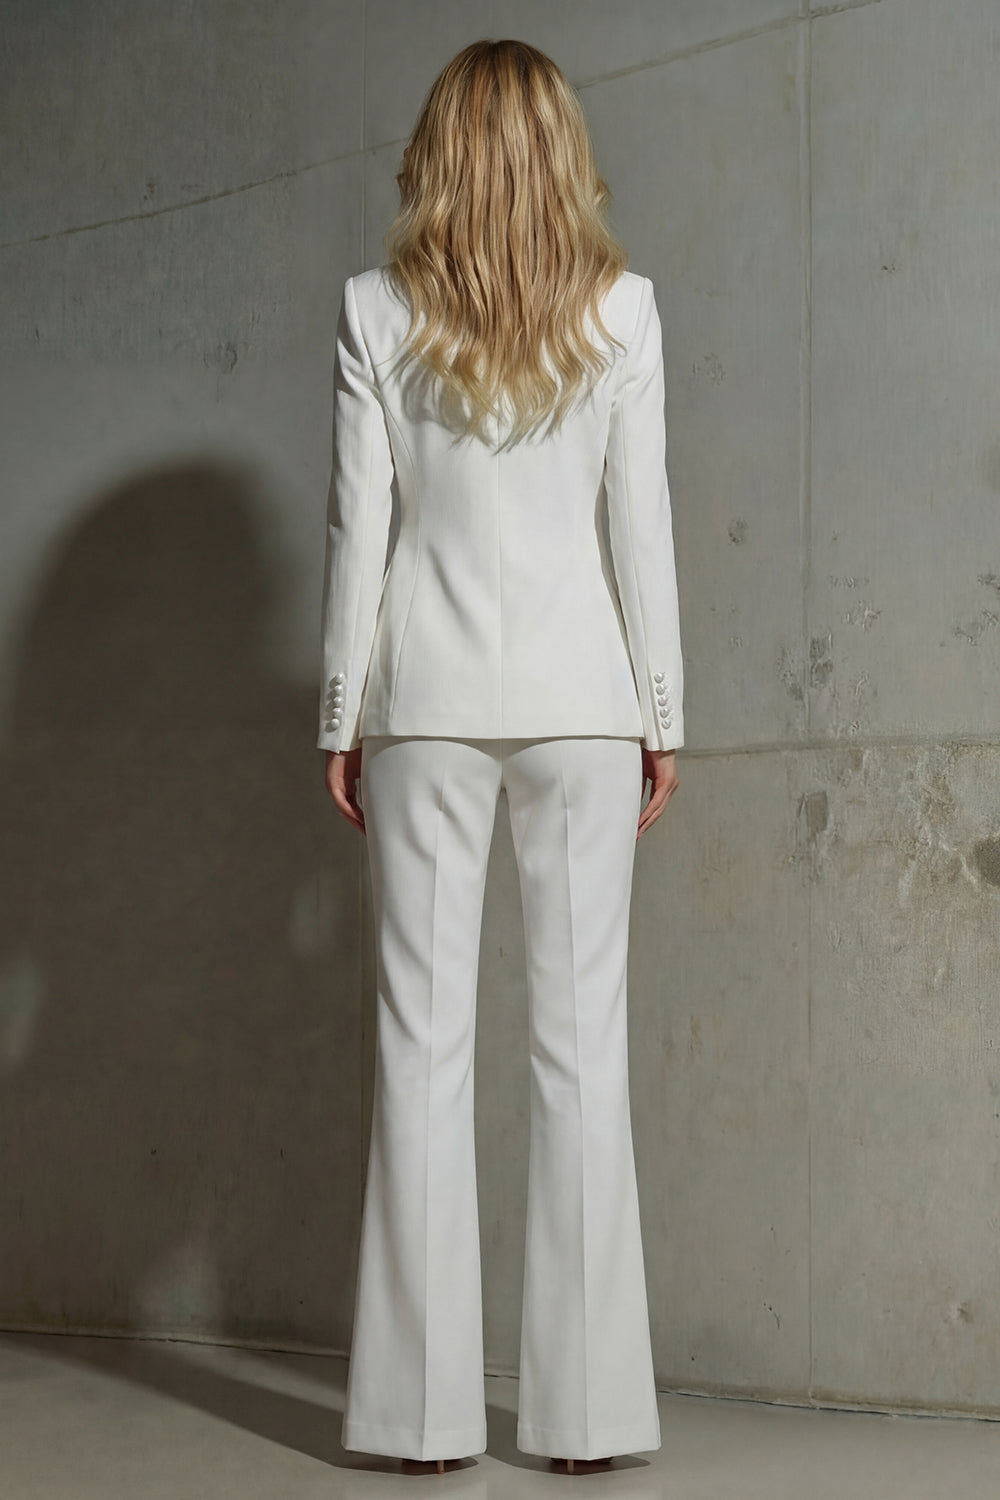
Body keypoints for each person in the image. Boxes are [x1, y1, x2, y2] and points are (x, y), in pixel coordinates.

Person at [317, 38, 683, 1475]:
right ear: (560, 150)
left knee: (423, 1054)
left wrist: (341, 715)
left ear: (440, 152)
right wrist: (663, 714)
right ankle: (587, 1425)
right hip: (585, 704)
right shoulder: (624, 311)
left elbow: (360, 532)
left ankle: (420, 1425)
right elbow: (640, 528)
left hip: (425, 701)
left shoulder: (374, 308)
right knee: (582, 1055)